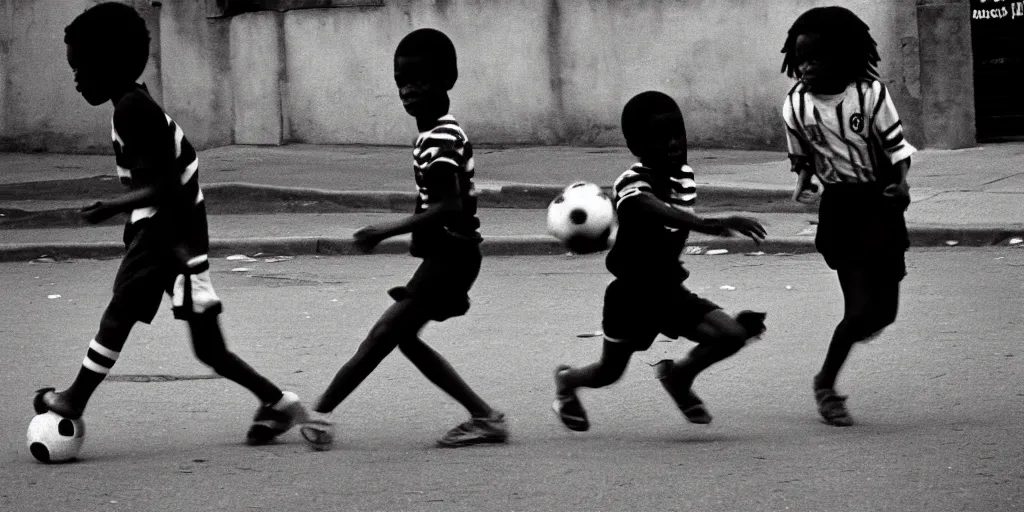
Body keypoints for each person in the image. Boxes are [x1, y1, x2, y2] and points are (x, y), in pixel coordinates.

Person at [33, 2, 309, 447]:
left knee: (120, 311)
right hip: (178, 234)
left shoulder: (131, 109)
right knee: (208, 348)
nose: (77, 78)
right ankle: (278, 403)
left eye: (81, 67)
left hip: (165, 232)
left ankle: (75, 398)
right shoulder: (132, 103)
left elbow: (164, 187)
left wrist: (113, 206)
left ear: (109, 63)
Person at [299, 28, 507, 450]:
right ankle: (485, 416)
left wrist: (385, 231)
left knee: (384, 333)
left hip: (454, 256)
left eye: (420, 80)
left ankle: (320, 413)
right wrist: (419, 241)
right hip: (449, 255)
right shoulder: (431, 135)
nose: (408, 91)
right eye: (401, 82)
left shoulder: (442, 137)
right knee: (403, 338)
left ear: (447, 80)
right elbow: (433, 199)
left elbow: (449, 206)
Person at [552, 91, 768, 432]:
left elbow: (673, 218)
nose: (673, 143)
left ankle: (679, 377)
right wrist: (709, 224)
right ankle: (566, 381)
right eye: (659, 137)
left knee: (732, 335)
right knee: (609, 373)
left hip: (668, 290)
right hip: (631, 297)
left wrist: (705, 225)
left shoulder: (685, 176)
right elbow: (649, 207)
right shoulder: (631, 182)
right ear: (636, 146)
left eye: (678, 133)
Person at [780, 6, 916, 426]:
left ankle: (857, 327)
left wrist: (902, 184)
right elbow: (803, 153)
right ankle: (826, 384)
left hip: (880, 202)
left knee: (885, 314)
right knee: (857, 311)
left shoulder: (871, 95)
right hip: (840, 209)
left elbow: (897, 150)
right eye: (800, 60)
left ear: (843, 58)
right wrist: (803, 178)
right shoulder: (795, 105)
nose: (805, 68)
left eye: (815, 59)